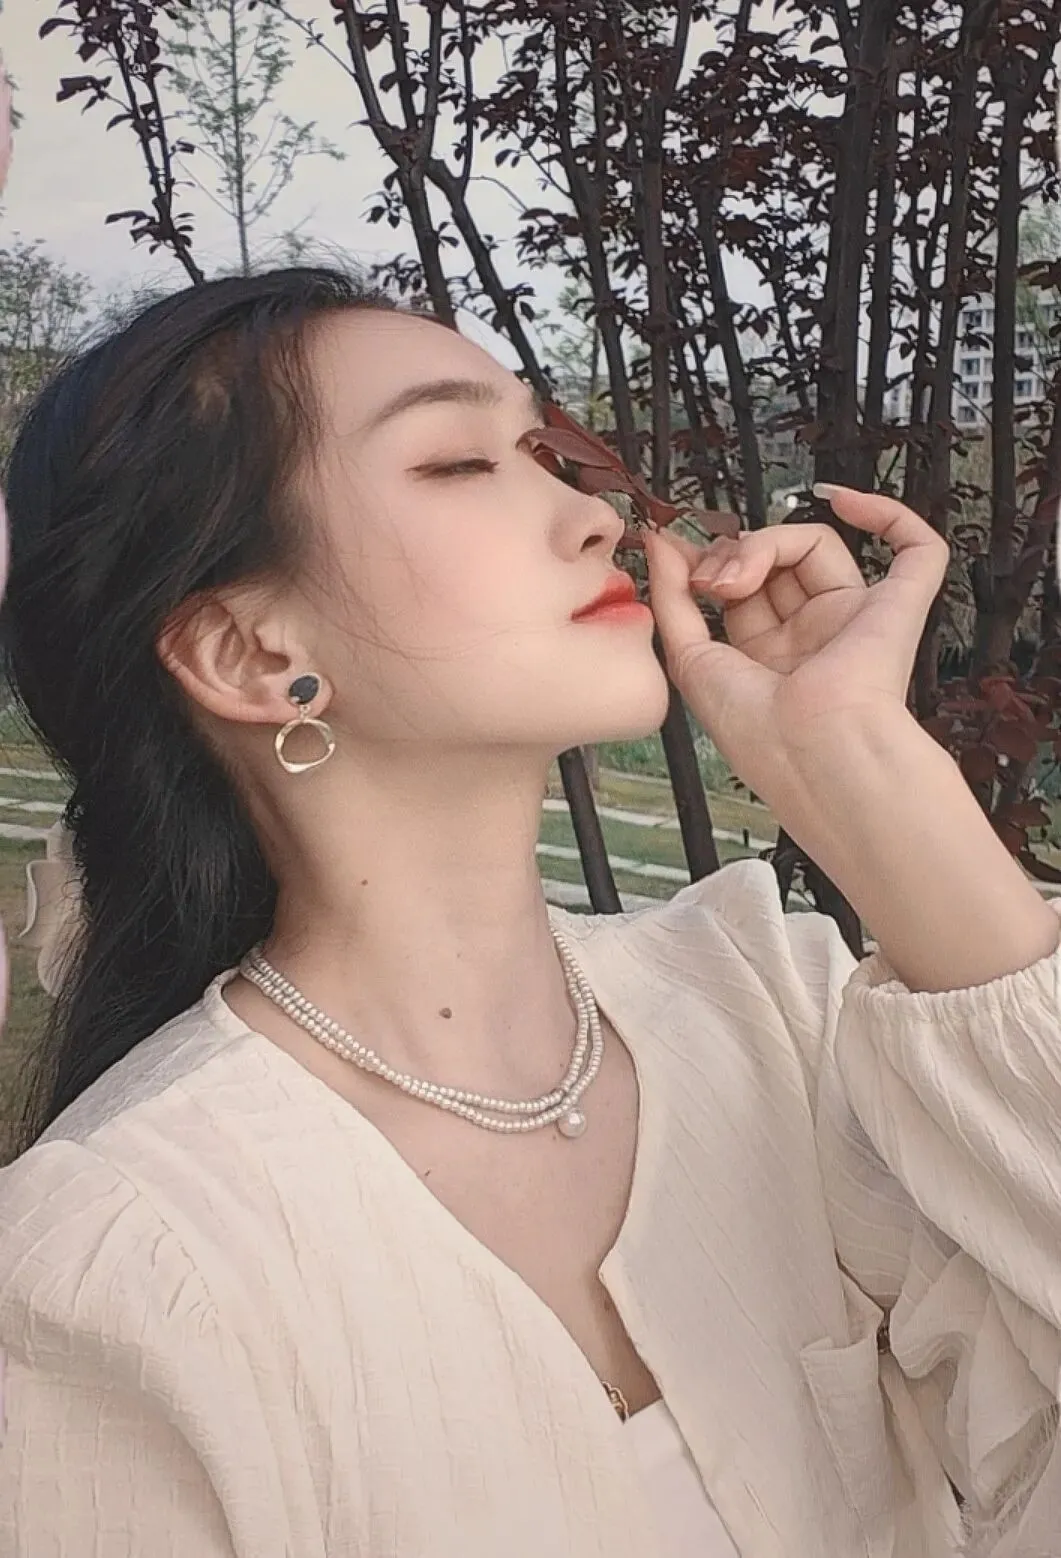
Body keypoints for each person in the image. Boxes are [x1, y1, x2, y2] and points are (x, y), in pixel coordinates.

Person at [0, 270, 1058, 1558]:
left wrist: (866, 767)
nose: (593, 516)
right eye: (457, 463)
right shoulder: (116, 1265)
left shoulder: (774, 1009)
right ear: (251, 653)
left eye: (545, 454)